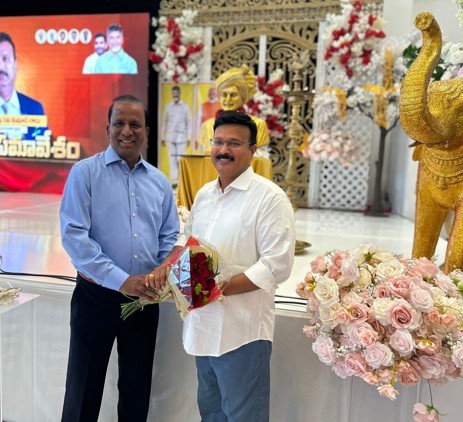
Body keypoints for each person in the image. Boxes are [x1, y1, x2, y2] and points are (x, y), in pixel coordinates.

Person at [150, 111, 295, 421]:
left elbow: (277, 265)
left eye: (234, 143)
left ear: (253, 149)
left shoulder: (270, 198)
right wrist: (167, 268)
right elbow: (186, 239)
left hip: (241, 332)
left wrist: (219, 288)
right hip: (203, 325)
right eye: (218, 142)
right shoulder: (205, 195)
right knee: (211, 413)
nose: (223, 150)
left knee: (243, 416)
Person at [59, 95, 179, 422]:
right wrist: (122, 280)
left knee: (136, 387)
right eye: (119, 123)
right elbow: (74, 237)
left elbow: (170, 236)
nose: (127, 131)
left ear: (147, 132)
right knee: (83, 387)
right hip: (96, 297)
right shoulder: (84, 173)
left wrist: (160, 271)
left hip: (144, 301)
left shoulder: (159, 182)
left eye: (135, 124)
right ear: (108, 129)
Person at [198, 65, 270, 154]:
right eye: (224, 95)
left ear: (243, 97)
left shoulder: (258, 125)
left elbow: (260, 159)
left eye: (233, 95)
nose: (228, 99)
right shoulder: (207, 125)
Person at [160, 85, 191, 185]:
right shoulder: (168, 106)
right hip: (170, 136)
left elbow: (189, 122)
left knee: (180, 159)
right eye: (173, 93)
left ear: (180, 93)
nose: (175, 95)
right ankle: (174, 181)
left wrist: (189, 137)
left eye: (177, 93)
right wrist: (162, 137)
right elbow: (165, 122)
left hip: (182, 137)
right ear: (172, 94)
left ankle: (181, 180)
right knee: (172, 159)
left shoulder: (185, 107)